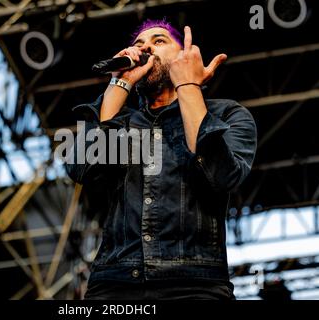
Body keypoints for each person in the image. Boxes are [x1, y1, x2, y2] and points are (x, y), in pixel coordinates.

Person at [64, 19, 257, 300]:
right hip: (115, 284)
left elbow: (222, 176)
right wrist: (121, 81)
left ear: (183, 57)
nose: (145, 49)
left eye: (159, 41)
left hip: (195, 284)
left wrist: (187, 84)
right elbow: (81, 167)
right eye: (139, 44)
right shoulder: (123, 122)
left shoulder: (227, 115)